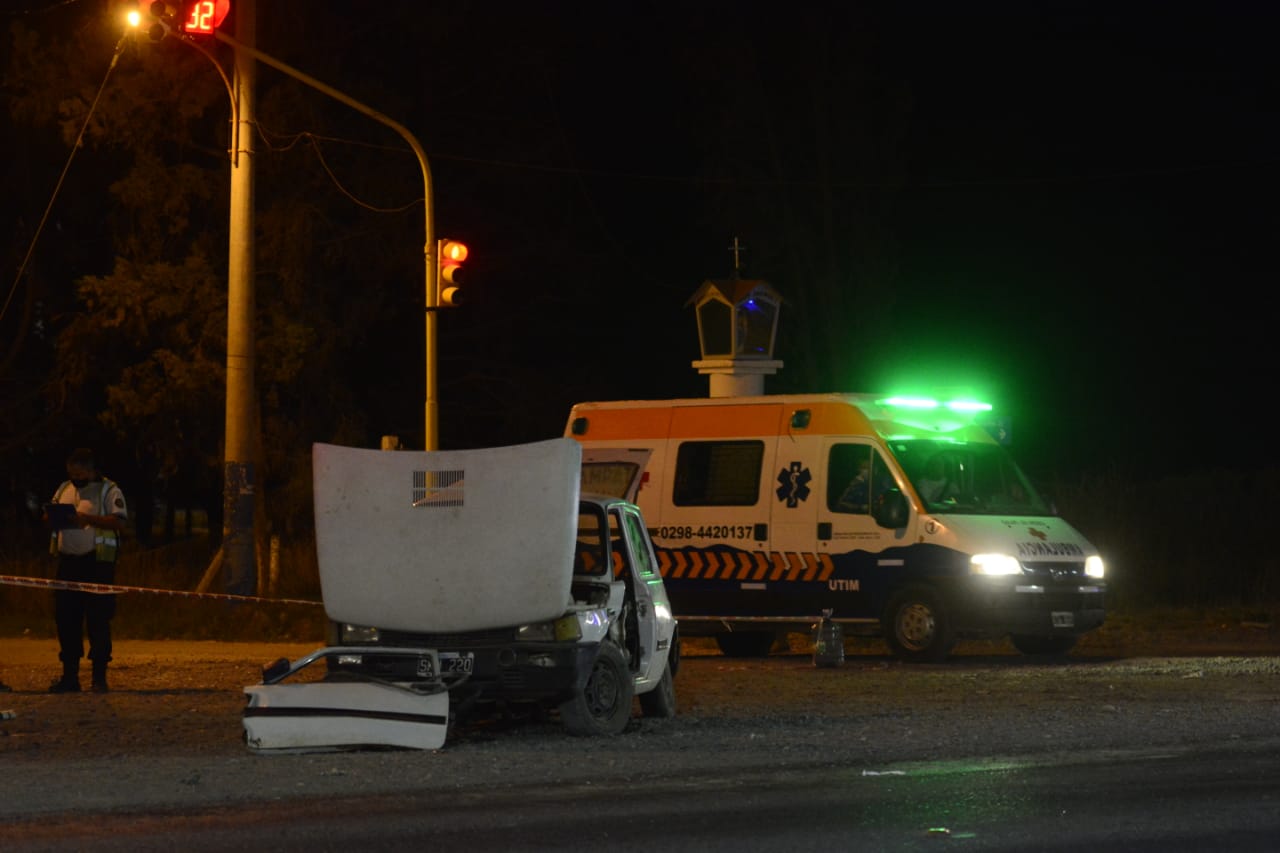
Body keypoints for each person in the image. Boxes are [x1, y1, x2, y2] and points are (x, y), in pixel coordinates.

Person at [45, 448, 128, 694]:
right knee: (65, 619)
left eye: (80, 474)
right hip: (67, 563)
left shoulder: (108, 490)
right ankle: (69, 677)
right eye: (72, 473)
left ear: (92, 471)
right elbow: (49, 515)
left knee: (98, 620)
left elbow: (120, 522)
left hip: (97, 564)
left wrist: (88, 519)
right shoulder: (64, 489)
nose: (75, 478)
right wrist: (50, 517)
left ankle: (99, 679)